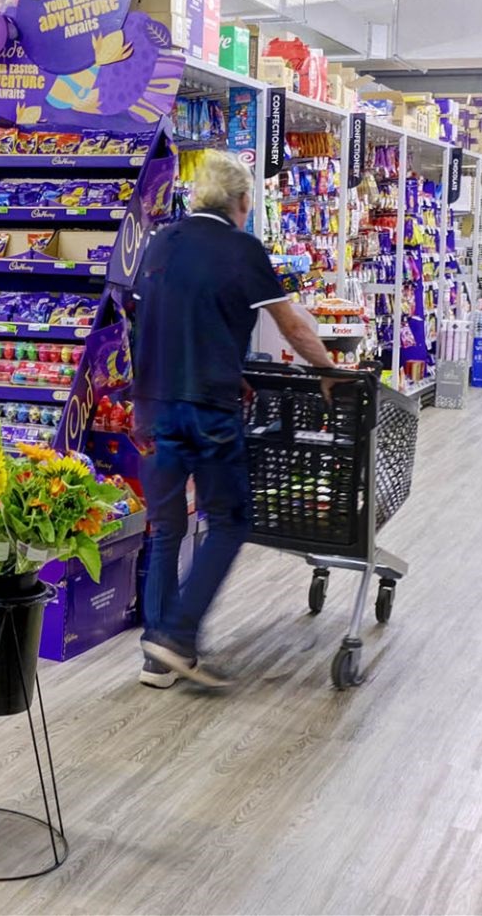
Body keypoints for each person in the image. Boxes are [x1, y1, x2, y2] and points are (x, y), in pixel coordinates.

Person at [131, 151, 334, 689]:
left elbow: (158, 320)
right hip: (208, 409)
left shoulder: (162, 242)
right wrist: (330, 371)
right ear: (241, 202)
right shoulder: (242, 249)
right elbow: (293, 327)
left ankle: (157, 656)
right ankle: (178, 636)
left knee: (167, 527)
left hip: (154, 404)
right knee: (229, 519)